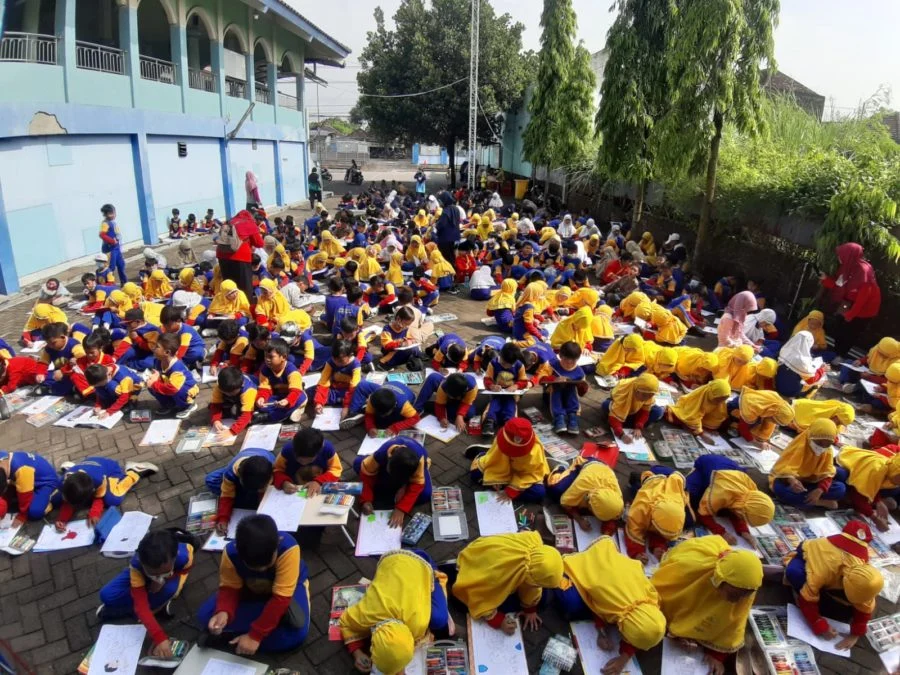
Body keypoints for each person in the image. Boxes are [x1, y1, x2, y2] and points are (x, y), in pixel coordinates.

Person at [199, 514, 310, 654]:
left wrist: (255, 636)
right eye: (254, 567)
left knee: (298, 632)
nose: (262, 569)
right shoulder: (230, 553)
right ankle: (249, 638)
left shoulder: (289, 548)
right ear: (239, 552)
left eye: (267, 564)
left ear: (276, 546)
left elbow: (281, 599)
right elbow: (229, 588)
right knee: (205, 616)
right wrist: (224, 611)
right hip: (251, 592)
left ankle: (235, 638)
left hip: (285, 594)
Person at [652, 535, 763, 674]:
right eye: (733, 594)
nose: (736, 601)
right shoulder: (690, 571)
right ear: (718, 580)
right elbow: (665, 595)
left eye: (744, 596)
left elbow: (733, 626)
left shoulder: (744, 589)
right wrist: (678, 631)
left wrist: (717, 656)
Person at [555, 538, 666, 673]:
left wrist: (624, 658)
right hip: (592, 562)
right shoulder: (608, 596)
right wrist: (601, 630)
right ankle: (561, 568)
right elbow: (596, 602)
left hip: (615, 568)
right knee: (570, 604)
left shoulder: (652, 605)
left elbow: (646, 631)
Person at [339, 549, 451, 674]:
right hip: (391, 561)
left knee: (439, 620)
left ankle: (436, 578)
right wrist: (357, 653)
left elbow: (418, 643)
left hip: (422, 562)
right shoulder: (365, 613)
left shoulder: (418, 622)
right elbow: (345, 622)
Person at [784, 519, 883, 651]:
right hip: (806, 556)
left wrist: (855, 634)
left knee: (841, 612)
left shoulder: (866, 577)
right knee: (794, 573)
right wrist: (819, 623)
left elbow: (865, 607)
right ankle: (795, 589)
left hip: (834, 574)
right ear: (846, 582)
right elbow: (808, 598)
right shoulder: (822, 571)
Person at [97, 530, 195, 657]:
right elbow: (141, 606)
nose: (156, 576)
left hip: (169, 580)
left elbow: (183, 572)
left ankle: (156, 604)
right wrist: (159, 637)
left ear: (174, 557)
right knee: (106, 595)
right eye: (152, 573)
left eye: (161, 572)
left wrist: (164, 579)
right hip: (140, 576)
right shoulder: (137, 564)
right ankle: (158, 607)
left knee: (170, 590)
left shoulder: (185, 557)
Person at [452, 532, 563, 633]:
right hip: (469, 578)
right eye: (539, 584)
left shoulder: (530, 542)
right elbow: (480, 598)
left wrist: (530, 609)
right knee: (540, 600)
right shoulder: (502, 577)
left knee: (539, 597)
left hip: (473, 555)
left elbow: (531, 586)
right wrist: (499, 621)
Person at [683, 455, 775, 545]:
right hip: (708, 466)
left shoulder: (750, 495)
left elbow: (739, 508)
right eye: (743, 518)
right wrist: (721, 532)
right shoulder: (720, 493)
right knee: (691, 501)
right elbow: (703, 513)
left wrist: (744, 531)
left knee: (727, 511)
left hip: (724, 468)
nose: (743, 520)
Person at [353, 437, 432, 529]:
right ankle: (391, 483)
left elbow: (417, 484)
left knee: (425, 494)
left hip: (414, 470)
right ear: (389, 458)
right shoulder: (381, 453)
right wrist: (366, 500)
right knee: (358, 463)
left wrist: (401, 508)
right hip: (387, 469)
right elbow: (366, 475)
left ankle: (398, 484)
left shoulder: (419, 460)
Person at [56, 458, 157, 529]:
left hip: (111, 469)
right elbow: (67, 502)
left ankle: (133, 472)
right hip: (87, 465)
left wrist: (94, 513)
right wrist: (62, 519)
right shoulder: (62, 482)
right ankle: (73, 467)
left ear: (92, 491)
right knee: (56, 499)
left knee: (113, 498)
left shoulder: (98, 481)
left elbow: (99, 498)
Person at [820, 242, 881, 355]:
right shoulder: (847, 267)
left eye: (841, 254)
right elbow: (839, 285)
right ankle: (837, 353)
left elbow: (863, 299)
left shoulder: (863, 272)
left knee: (850, 333)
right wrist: (826, 279)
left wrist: (850, 315)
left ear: (849, 255)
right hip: (848, 303)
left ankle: (841, 356)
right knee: (840, 328)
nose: (839, 257)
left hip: (864, 309)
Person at [769, 419, 845, 509]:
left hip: (812, 481)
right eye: (819, 442)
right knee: (780, 490)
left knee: (841, 488)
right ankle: (819, 502)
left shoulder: (827, 451)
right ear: (810, 436)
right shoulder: (800, 446)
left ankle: (806, 499)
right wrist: (792, 481)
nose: (822, 447)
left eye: (827, 444)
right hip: (795, 482)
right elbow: (782, 470)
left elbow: (827, 473)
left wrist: (819, 490)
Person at [469, 417, 548, 502]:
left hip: (521, 476)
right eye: (509, 449)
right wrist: (496, 478)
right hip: (502, 469)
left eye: (515, 451)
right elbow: (495, 459)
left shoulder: (535, 451)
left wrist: (512, 490)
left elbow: (532, 474)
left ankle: (504, 487)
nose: (512, 453)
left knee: (539, 493)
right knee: (475, 473)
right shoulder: (503, 436)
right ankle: (482, 454)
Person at [547, 457, 623, 535]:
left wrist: (607, 532)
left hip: (603, 470)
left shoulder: (617, 499)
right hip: (587, 464)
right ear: (589, 503)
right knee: (555, 489)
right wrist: (579, 520)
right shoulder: (582, 485)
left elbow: (614, 516)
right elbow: (565, 502)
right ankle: (561, 468)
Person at [624, 470, 690, 561]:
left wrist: (659, 546)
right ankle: (636, 477)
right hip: (653, 481)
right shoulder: (642, 507)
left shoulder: (681, 503)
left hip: (668, 486)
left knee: (690, 520)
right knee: (634, 489)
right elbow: (633, 529)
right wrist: (637, 552)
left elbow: (663, 531)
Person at [206, 449, 274, 535]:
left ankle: (245, 494)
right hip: (243, 462)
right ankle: (245, 493)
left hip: (263, 458)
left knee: (260, 496)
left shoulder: (270, 471)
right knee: (210, 480)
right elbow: (227, 495)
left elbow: (264, 496)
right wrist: (223, 518)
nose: (260, 490)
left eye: (261, 488)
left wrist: (263, 511)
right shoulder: (231, 473)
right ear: (240, 480)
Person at [836, 446, 900, 531]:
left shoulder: (891, 473)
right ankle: (848, 498)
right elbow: (858, 495)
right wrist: (875, 518)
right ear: (896, 470)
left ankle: (863, 503)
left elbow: (874, 483)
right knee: (842, 481)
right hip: (847, 467)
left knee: (895, 490)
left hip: (864, 478)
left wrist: (878, 502)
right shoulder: (876, 469)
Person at [537, 341, 589, 434]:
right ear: (560, 356)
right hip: (551, 395)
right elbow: (540, 379)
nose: (568, 364)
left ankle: (573, 416)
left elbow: (581, 392)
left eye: (572, 361)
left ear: (577, 359)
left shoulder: (579, 372)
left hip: (569, 397)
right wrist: (554, 379)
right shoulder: (551, 364)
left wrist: (582, 385)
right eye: (566, 360)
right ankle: (559, 417)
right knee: (556, 390)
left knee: (572, 390)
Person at [272, 427, 342, 497]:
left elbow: (336, 470)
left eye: (309, 460)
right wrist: (283, 482)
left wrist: (318, 482)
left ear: (320, 449)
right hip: (294, 489)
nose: (303, 463)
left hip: (320, 487)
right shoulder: (287, 451)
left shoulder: (327, 450)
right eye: (299, 459)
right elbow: (277, 470)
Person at [146, 333, 200, 419]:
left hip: (187, 389)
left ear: (167, 352)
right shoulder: (158, 361)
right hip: (171, 383)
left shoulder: (177, 368)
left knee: (178, 391)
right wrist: (154, 378)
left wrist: (154, 384)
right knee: (151, 384)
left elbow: (173, 388)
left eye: (157, 347)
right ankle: (170, 404)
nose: (153, 348)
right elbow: (160, 375)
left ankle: (188, 405)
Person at [481, 343, 529, 436]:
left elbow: (524, 381)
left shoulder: (519, 365)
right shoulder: (493, 363)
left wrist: (516, 386)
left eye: (509, 365)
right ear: (500, 356)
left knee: (510, 406)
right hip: (496, 392)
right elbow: (487, 379)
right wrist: (491, 386)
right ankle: (490, 421)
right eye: (503, 363)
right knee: (494, 404)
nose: (506, 367)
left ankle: (509, 423)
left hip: (512, 394)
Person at [0, 450, 61, 524]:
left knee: (34, 512)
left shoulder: (22, 471)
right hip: (24, 480)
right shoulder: (3, 460)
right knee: (5, 501)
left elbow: (25, 502)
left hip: (46, 483)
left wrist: (22, 516)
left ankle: (51, 498)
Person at [217, 210, 266, 300]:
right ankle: (246, 308)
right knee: (245, 287)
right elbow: (260, 243)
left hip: (222, 255)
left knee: (229, 285)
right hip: (241, 257)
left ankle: (229, 306)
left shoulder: (229, 222)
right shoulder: (249, 223)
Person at [601, 373, 664, 441]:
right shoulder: (623, 391)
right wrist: (621, 435)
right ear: (636, 390)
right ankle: (620, 424)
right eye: (644, 395)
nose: (647, 398)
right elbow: (614, 417)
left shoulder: (648, 392)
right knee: (606, 405)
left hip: (634, 411)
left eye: (651, 395)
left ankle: (624, 424)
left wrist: (638, 427)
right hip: (621, 409)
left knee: (657, 411)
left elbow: (645, 411)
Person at [256, 338, 306, 424]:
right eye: (266, 356)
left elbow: (295, 391)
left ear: (284, 357)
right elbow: (265, 387)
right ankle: (286, 413)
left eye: (271, 357)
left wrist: (287, 400)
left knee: (300, 398)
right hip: (278, 396)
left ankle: (270, 417)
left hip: (292, 395)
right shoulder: (265, 369)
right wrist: (261, 398)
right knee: (261, 404)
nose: (267, 359)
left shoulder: (292, 371)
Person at [725, 387, 794, 447]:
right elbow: (743, 428)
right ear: (773, 415)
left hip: (749, 404)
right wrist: (756, 443)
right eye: (774, 421)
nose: (774, 423)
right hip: (739, 407)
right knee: (738, 429)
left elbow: (769, 423)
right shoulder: (753, 409)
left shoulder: (773, 407)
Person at [665, 378, 732, 438]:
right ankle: (670, 410)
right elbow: (694, 414)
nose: (720, 401)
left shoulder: (720, 401)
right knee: (679, 419)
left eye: (724, 399)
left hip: (703, 414)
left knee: (719, 424)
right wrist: (700, 431)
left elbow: (719, 415)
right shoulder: (700, 397)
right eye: (718, 399)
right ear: (711, 394)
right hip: (689, 410)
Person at [414, 371, 478, 432]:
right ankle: (418, 408)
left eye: (451, 396)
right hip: (449, 393)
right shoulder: (443, 386)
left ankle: (431, 406)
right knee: (433, 377)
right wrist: (442, 417)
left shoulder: (472, 387)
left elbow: (466, 403)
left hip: (463, 400)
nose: (449, 397)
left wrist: (460, 416)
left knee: (471, 414)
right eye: (448, 395)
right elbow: (439, 404)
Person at [209, 366, 258, 439]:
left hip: (250, 397)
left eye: (231, 393)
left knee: (242, 414)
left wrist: (231, 431)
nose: (228, 394)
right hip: (235, 398)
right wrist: (216, 420)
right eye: (225, 392)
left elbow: (247, 414)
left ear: (242, 385)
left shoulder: (249, 391)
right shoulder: (219, 386)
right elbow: (216, 405)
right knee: (212, 407)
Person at [776, 330, 825, 398]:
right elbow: (811, 380)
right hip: (790, 392)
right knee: (820, 379)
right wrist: (822, 369)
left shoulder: (785, 349)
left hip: (777, 385)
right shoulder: (802, 361)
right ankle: (802, 395)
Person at [433, 191, 461, 275]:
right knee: (452, 257)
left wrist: (436, 225)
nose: (440, 203)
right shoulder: (456, 209)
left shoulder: (445, 212)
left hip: (445, 239)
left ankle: (448, 275)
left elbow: (441, 225)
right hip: (455, 237)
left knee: (446, 258)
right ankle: (454, 273)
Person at [99, 203, 127, 284]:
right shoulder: (105, 223)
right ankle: (109, 284)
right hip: (110, 249)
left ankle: (124, 282)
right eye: (110, 213)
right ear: (105, 214)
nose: (113, 215)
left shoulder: (113, 222)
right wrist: (112, 241)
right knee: (111, 267)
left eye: (114, 212)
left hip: (117, 249)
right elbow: (102, 235)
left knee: (121, 265)